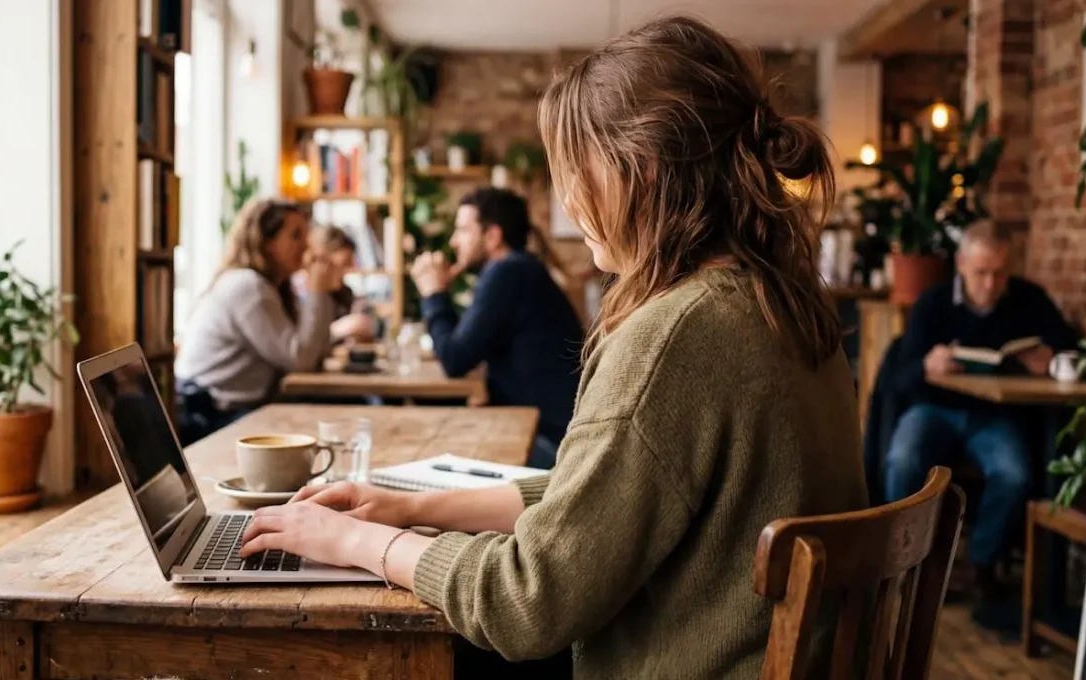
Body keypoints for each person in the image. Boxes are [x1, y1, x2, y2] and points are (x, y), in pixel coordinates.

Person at [236, 16, 868, 679]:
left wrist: (357, 541)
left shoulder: (678, 335)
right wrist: (409, 507)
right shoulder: (783, 303)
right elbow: (597, 501)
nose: (567, 196)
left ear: (643, 171)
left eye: (577, 170)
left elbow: (525, 601)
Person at [885, 222, 1079, 596]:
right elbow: (899, 378)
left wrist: (1050, 359)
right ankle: (899, 560)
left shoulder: (1029, 298)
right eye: (981, 273)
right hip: (933, 408)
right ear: (960, 264)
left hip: (994, 415)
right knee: (902, 460)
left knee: (1015, 474)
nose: (991, 284)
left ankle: (980, 565)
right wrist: (927, 365)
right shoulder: (933, 303)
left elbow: (1067, 348)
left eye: (1000, 273)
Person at [409, 187, 584, 468]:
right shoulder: (519, 270)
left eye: (463, 230)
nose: (454, 242)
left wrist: (433, 294)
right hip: (545, 431)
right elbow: (463, 346)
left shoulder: (508, 273)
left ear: (492, 236)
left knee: (427, 448)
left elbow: (454, 359)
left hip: (551, 446)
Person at [174, 200, 341, 444]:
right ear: (266, 241)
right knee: (322, 429)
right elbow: (301, 360)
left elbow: (313, 354)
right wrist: (317, 291)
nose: (306, 245)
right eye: (296, 235)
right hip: (208, 414)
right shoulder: (248, 286)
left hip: (232, 407)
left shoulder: (271, 287)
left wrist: (322, 293)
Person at [303, 225, 376, 344]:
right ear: (321, 258)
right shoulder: (299, 293)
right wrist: (338, 330)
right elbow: (303, 346)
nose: (346, 272)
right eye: (343, 264)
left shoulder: (344, 293)